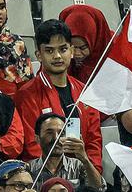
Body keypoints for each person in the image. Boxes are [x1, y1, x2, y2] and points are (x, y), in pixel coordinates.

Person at [13, 20, 104, 167]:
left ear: (72, 51)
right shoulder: (27, 94)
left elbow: (94, 141)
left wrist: (92, 172)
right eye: (49, 50)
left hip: (82, 175)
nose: (57, 56)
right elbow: (33, 146)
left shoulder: (84, 91)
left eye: (63, 49)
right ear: (39, 55)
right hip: (46, 179)